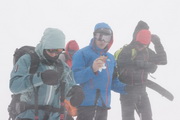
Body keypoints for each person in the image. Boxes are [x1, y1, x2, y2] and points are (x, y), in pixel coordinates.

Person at [9, 28, 84, 120]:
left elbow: (67, 89)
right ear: (44, 45)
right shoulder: (28, 60)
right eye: (51, 50)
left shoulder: (62, 67)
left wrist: (75, 92)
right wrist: (40, 78)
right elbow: (14, 86)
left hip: (54, 116)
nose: (54, 54)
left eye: (58, 51)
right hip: (29, 116)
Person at [72, 22, 127, 120]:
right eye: (99, 36)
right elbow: (75, 78)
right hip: (86, 105)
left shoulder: (110, 58)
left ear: (111, 39)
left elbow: (113, 82)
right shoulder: (82, 54)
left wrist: (127, 89)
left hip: (103, 106)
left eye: (106, 38)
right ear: (94, 36)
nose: (102, 40)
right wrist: (92, 69)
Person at [115, 20, 167, 120]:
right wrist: (145, 65)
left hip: (142, 92)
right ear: (136, 38)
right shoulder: (127, 50)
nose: (141, 47)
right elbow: (122, 62)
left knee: (147, 118)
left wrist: (157, 42)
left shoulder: (146, 51)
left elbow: (163, 60)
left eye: (144, 45)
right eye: (139, 44)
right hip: (127, 92)